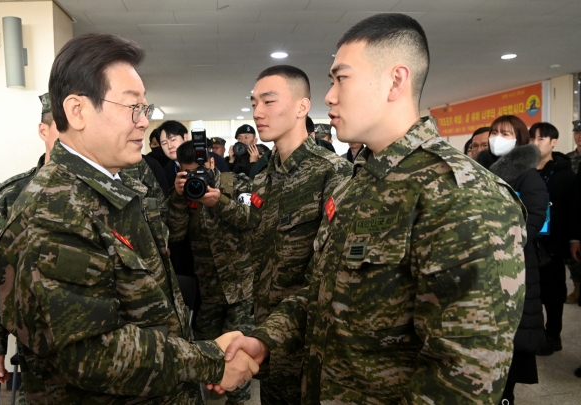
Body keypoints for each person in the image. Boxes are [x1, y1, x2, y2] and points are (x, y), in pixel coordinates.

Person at [214, 14, 528, 405]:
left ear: (395, 80)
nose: (329, 96)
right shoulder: (355, 184)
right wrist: (264, 338)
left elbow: (464, 374)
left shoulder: (460, 193)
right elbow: (321, 292)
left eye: (341, 78)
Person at [0, 33, 257, 404]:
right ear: (77, 110)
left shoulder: (114, 188)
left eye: (145, 109)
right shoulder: (55, 210)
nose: (143, 123)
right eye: (133, 108)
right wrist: (209, 360)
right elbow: (90, 353)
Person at [201, 64, 352, 404]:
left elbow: (330, 274)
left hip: (311, 338)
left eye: (268, 102)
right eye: (254, 102)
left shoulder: (332, 172)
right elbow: (251, 230)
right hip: (267, 333)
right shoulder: (263, 178)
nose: (257, 112)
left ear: (302, 107)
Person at [0, 93, 59, 392]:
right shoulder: (14, 195)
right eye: (62, 127)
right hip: (40, 353)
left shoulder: (120, 192)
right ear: (43, 131)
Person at [169, 141, 255, 405]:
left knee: (236, 348)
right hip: (208, 289)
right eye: (188, 174)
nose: (197, 179)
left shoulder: (235, 184)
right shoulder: (183, 195)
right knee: (207, 347)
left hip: (241, 284)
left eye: (200, 171)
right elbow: (176, 233)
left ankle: (239, 400)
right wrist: (178, 197)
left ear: (211, 163)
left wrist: (219, 202)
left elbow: (251, 220)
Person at [476, 114, 548, 405]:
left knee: (512, 329)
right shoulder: (479, 170)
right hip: (478, 257)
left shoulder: (528, 176)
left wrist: (505, 243)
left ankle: (506, 395)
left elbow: (535, 218)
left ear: (518, 138)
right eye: (495, 131)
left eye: (505, 133)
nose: (497, 137)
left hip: (513, 261)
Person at [529, 122, 576, 356]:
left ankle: (553, 334)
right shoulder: (525, 171)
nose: (535, 144)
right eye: (532, 139)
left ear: (553, 142)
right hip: (529, 240)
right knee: (533, 292)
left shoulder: (565, 174)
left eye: (541, 139)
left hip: (553, 242)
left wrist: (569, 241)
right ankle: (536, 335)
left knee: (553, 293)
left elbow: (572, 211)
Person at [565, 120, 581, 304]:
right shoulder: (567, 160)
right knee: (572, 256)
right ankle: (577, 287)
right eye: (576, 132)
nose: (579, 135)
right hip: (572, 209)